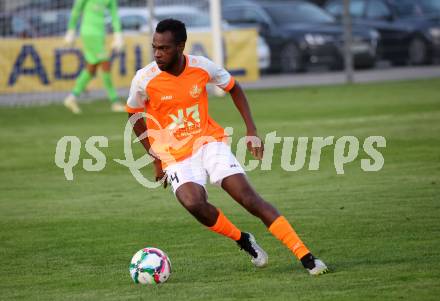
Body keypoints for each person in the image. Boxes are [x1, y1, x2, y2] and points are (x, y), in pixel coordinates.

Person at [126, 19, 328, 275]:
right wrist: (155, 157)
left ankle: (306, 257)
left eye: (164, 48)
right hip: (174, 155)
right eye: (154, 47)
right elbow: (134, 113)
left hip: (208, 142)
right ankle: (243, 240)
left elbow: (234, 87)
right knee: (193, 203)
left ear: (180, 46)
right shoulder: (144, 78)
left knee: (249, 199)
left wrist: (251, 130)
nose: (157, 53)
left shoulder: (201, 67)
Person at [63, 0, 125, 114]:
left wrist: (118, 35)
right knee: (105, 63)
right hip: (89, 33)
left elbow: (114, 15)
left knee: (91, 68)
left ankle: (72, 97)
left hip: (100, 33)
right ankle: (115, 101)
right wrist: (71, 29)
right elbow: (77, 9)